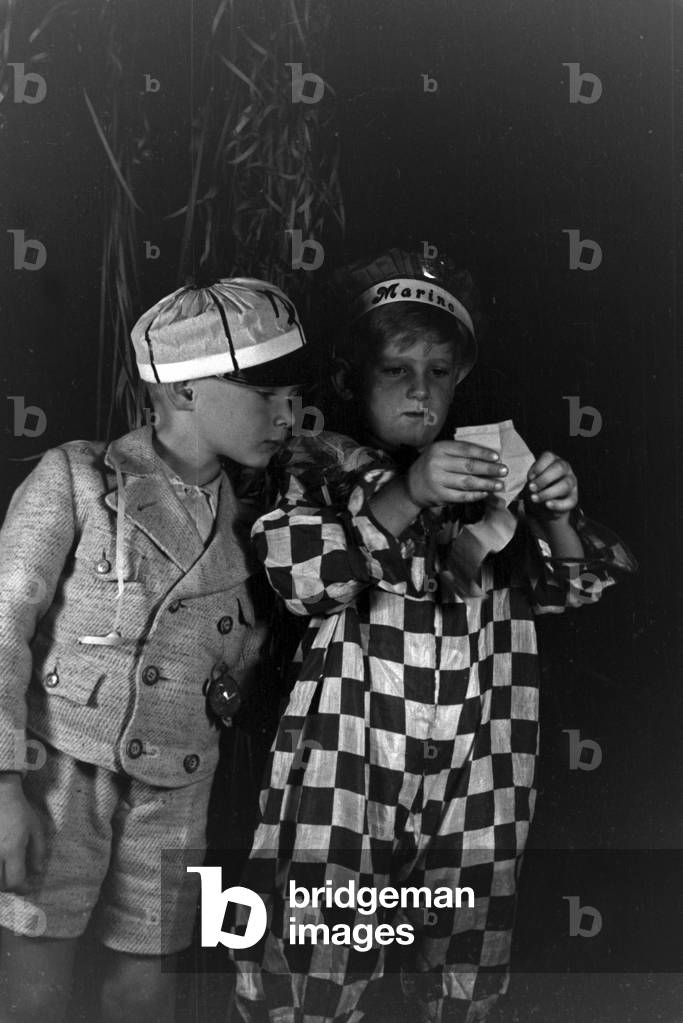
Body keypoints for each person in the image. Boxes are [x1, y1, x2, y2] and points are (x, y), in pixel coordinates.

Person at [232, 250, 637, 1023]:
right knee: (315, 955)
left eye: (440, 371)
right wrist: (408, 491)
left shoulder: (493, 474)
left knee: (462, 960)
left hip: (476, 770)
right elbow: (304, 579)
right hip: (349, 764)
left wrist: (551, 510)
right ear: (354, 377)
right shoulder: (320, 469)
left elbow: (574, 587)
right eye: (397, 369)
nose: (421, 390)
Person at [0, 277, 310, 1023]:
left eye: (290, 394)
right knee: (32, 986)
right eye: (261, 391)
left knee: (144, 992)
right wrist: (2, 785)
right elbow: (3, 626)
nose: (285, 413)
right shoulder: (79, 478)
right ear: (184, 389)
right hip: (58, 776)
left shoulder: (263, 523)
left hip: (176, 791)